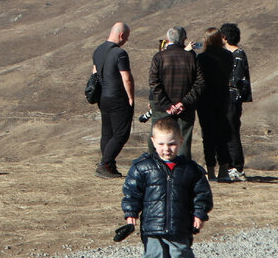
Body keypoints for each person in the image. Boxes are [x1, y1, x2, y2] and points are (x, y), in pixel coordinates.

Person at [122, 116, 213, 258]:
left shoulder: (191, 170)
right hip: (152, 225)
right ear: (153, 142)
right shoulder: (143, 167)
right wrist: (131, 213)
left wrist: (200, 213)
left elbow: (202, 194)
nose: (166, 149)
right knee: (154, 256)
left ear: (180, 142)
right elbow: (132, 192)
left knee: (180, 257)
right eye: (161, 144)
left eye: (171, 144)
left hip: (180, 225)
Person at [148, 26, 203, 159]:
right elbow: (200, 83)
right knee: (183, 140)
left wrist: (167, 105)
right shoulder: (191, 57)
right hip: (185, 109)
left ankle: (153, 167)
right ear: (184, 39)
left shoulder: (159, 57)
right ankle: (183, 172)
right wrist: (183, 103)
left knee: (158, 138)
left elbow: (154, 83)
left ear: (168, 39)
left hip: (161, 108)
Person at [93, 23, 135, 178]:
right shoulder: (120, 53)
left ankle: (109, 166)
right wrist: (130, 97)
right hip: (118, 97)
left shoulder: (98, 50)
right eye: (127, 37)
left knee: (107, 133)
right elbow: (127, 78)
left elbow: (95, 73)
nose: (126, 40)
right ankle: (105, 163)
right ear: (121, 35)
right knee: (121, 134)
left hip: (103, 97)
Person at [194, 29, 232, 181]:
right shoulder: (228, 56)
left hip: (205, 98)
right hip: (223, 97)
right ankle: (224, 169)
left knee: (208, 135)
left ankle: (210, 169)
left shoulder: (202, 58)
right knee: (222, 133)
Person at [219, 23, 252, 181]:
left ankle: (237, 167)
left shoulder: (238, 54)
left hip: (232, 98)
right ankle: (229, 165)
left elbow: (237, 78)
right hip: (226, 97)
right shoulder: (230, 54)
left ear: (224, 37)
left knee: (232, 132)